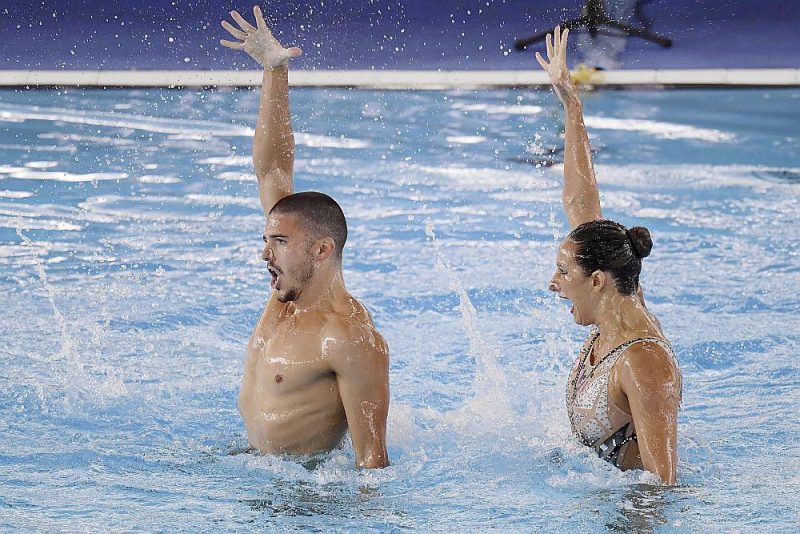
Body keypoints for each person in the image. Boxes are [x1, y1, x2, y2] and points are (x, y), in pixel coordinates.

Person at [220, 7, 389, 468]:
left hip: (302, 501)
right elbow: (273, 168)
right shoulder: (286, 296)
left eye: (277, 242)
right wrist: (275, 71)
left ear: (320, 249)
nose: (264, 253)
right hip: (250, 464)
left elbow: (372, 462)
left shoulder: (350, 338)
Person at [536, 27, 681, 484]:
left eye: (563, 272)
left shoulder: (643, 363)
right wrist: (572, 107)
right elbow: (583, 205)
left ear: (597, 280)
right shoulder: (616, 306)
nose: (552, 283)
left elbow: (661, 486)